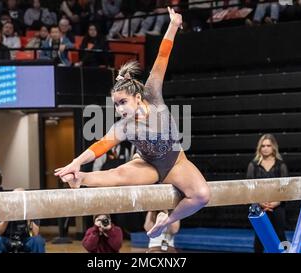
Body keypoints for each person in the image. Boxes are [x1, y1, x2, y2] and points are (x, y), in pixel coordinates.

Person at [55, 7, 211, 239]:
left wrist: (173, 25)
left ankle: (166, 220)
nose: (119, 109)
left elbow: (162, 57)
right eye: (115, 105)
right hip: (147, 164)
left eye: (122, 102)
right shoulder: (124, 126)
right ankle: (81, 179)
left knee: (201, 195)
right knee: (118, 176)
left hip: (176, 162)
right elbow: (102, 145)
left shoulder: (152, 94)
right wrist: (76, 163)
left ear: (137, 98)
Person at [246, 134, 288, 253]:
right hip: (259, 206)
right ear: (259, 148)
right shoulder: (253, 165)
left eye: (268, 145)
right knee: (260, 236)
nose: (265, 148)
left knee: (280, 234)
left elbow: (285, 188)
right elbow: (249, 188)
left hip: (278, 205)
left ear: (273, 147)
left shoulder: (281, 165)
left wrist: (276, 202)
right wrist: (260, 203)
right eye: (263, 146)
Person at [0, 188, 46, 253]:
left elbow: (35, 233)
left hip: (25, 240)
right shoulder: (3, 209)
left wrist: (27, 216)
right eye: (16, 198)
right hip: (6, 239)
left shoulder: (32, 210)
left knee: (38, 240)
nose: (18, 201)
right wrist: (8, 217)